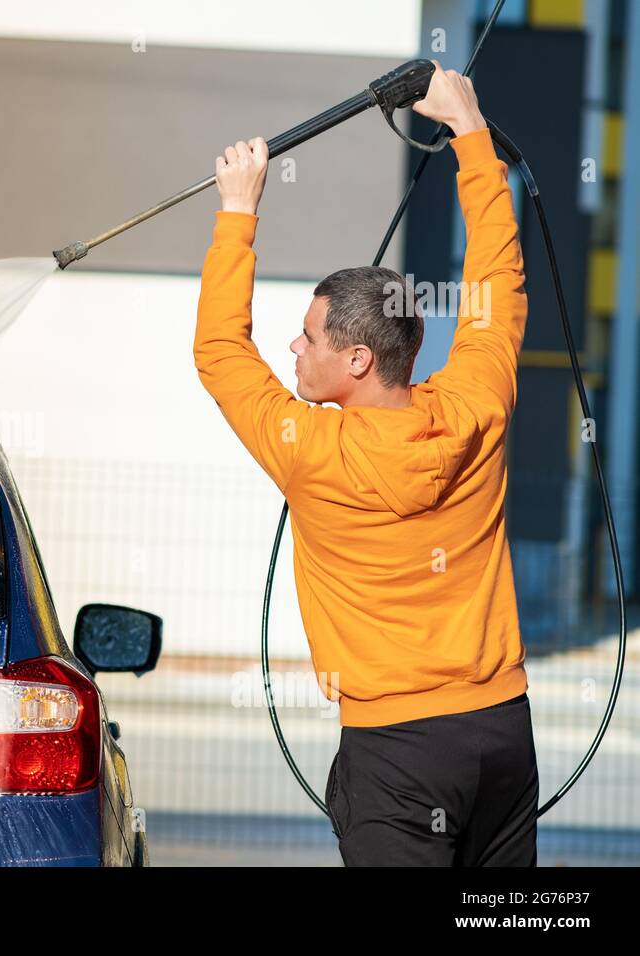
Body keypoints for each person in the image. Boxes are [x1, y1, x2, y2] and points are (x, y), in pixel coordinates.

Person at [193, 61, 538, 866]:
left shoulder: (310, 452)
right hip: (501, 733)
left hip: (396, 749)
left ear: (354, 359)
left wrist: (239, 212)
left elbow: (219, 352)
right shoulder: (476, 405)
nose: (292, 348)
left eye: (308, 338)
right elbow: (498, 285)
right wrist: (472, 137)